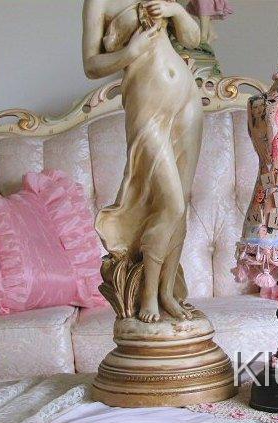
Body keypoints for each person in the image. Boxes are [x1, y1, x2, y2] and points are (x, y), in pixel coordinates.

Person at [82, 0, 202, 322]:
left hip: (187, 101)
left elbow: (193, 39)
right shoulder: (97, 2)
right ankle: (148, 294)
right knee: (171, 204)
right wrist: (130, 52)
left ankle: (167, 292)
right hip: (146, 106)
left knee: (181, 204)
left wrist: (176, 12)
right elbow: (91, 65)